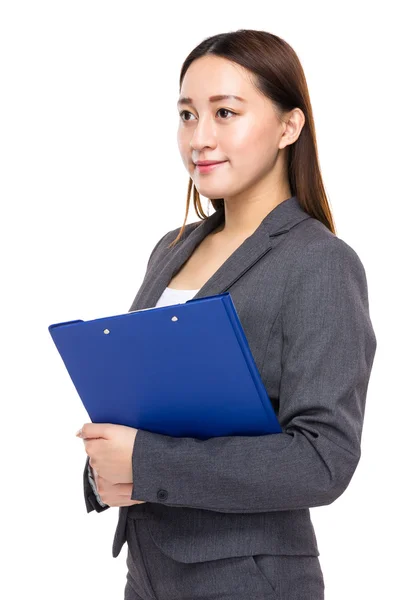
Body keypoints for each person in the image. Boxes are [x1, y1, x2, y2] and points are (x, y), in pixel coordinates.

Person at [77, 29, 377, 600]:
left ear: (289, 126)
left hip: (247, 580)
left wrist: (146, 462)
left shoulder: (320, 263)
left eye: (225, 112)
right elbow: (147, 407)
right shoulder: (172, 247)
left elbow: (323, 459)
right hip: (148, 573)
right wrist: (103, 469)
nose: (200, 138)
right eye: (188, 115)